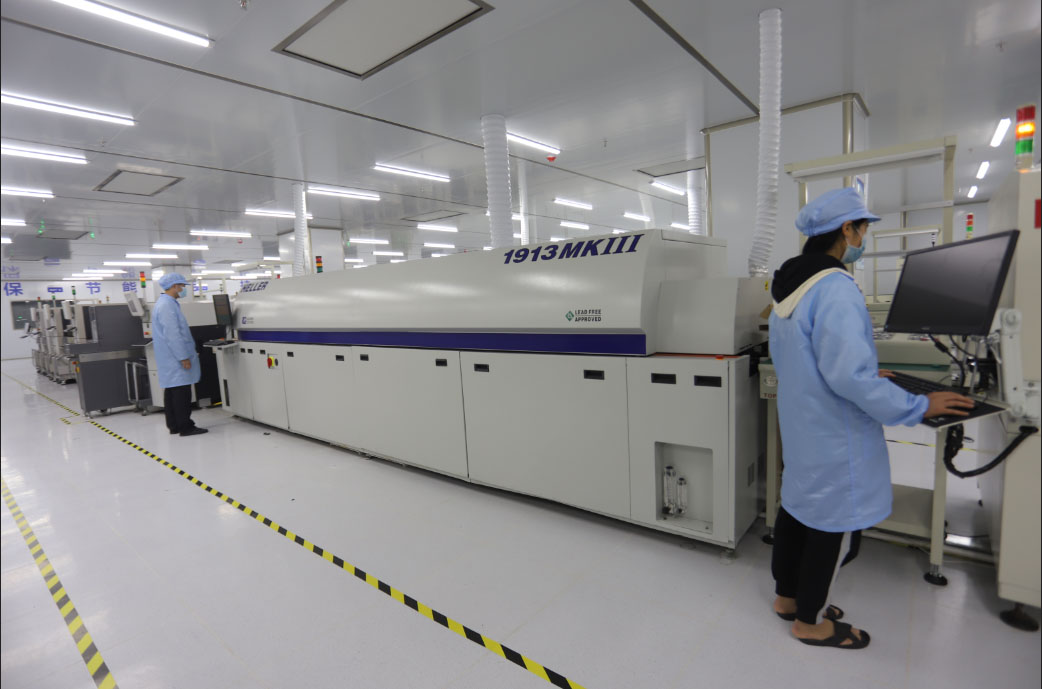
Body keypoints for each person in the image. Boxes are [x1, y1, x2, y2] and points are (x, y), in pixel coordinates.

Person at [767, 188, 973, 649]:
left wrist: (860, 371)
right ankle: (810, 622)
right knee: (835, 525)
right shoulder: (835, 287)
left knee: (798, 510)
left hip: (803, 429)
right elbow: (849, 378)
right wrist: (920, 405)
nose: (863, 237)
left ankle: (787, 598)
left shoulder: (788, 287)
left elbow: (809, 359)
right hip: (834, 433)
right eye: (863, 228)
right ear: (847, 230)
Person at [153, 273, 207, 437]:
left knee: (172, 391)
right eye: (182, 286)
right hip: (176, 357)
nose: (183, 289)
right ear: (174, 286)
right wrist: (183, 357)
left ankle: (174, 425)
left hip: (169, 357)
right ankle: (185, 427)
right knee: (181, 393)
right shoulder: (167, 305)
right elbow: (173, 334)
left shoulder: (165, 303)